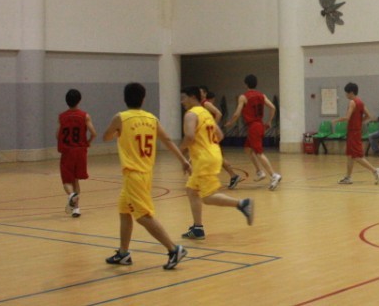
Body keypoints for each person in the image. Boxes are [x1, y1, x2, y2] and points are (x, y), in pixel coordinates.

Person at [102, 82, 190, 269]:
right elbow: (167, 140)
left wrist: (117, 132)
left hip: (134, 175)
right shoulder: (152, 119)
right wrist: (183, 160)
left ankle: (174, 249)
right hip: (146, 174)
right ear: (143, 99)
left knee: (143, 216)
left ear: (124, 98)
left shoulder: (121, 118)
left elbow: (106, 137)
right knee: (124, 211)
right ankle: (123, 254)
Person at [179, 86, 254, 241]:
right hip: (212, 154)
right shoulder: (206, 113)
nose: (182, 101)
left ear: (192, 97)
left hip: (204, 158)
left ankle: (242, 204)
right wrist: (205, 146)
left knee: (207, 197)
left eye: (183, 98)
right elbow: (219, 135)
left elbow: (190, 136)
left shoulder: (191, 114)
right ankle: (197, 228)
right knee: (191, 190)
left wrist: (180, 151)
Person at [225, 74, 282, 190]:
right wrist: (269, 121)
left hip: (253, 127)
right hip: (259, 125)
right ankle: (259, 172)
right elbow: (273, 107)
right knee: (247, 148)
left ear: (245, 84)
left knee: (259, 153)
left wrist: (230, 122)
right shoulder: (261, 95)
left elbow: (237, 113)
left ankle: (274, 175)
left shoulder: (243, 97)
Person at [57, 89, 97, 218]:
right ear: (79, 100)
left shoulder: (62, 117)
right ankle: (76, 209)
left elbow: (57, 135)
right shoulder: (84, 116)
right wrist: (88, 142)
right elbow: (94, 133)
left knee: (66, 181)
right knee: (75, 180)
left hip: (68, 151)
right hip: (80, 151)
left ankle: (71, 195)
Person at [332, 83, 379, 185]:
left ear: (351, 92)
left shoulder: (352, 102)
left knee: (356, 156)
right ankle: (348, 177)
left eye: (346, 93)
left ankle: (374, 170)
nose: (346, 95)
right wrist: (359, 122)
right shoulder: (360, 102)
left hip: (353, 132)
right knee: (350, 155)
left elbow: (347, 117)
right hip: (356, 131)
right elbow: (368, 116)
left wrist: (336, 120)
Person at [200, 86, 246, 189]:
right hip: (205, 135)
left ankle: (205, 180)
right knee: (217, 157)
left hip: (210, 135)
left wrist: (212, 126)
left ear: (205, 93)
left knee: (211, 156)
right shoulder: (200, 104)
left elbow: (219, 114)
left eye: (201, 92)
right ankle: (233, 176)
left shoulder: (206, 103)